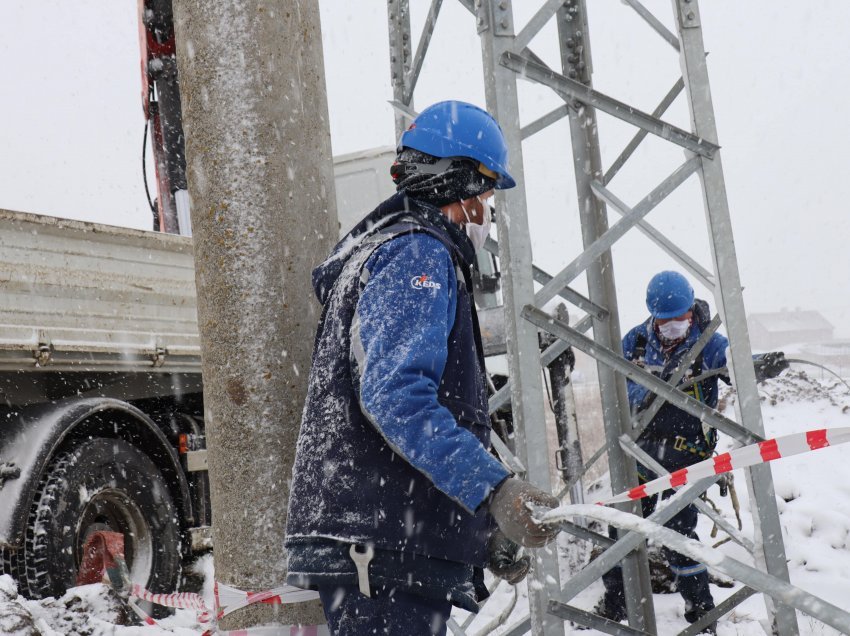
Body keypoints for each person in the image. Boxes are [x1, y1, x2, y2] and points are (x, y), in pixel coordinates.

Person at [284, 100, 560, 636]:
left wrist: (483, 528)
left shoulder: (390, 249)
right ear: (457, 183)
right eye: (485, 192)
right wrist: (493, 489)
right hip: (383, 549)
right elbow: (397, 398)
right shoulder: (417, 255)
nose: (488, 210)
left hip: (383, 542)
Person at [594, 271, 788, 633]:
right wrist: (646, 394)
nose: (673, 327)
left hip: (687, 457)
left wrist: (758, 364)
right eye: (665, 321)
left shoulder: (707, 343)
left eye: (680, 319)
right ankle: (615, 603)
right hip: (642, 452)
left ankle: (701, 613)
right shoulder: (635, 343)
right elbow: (616, 388)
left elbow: (734, 361)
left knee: (679, 533)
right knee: (620, 525)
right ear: (654, 316)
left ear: (690, 312)